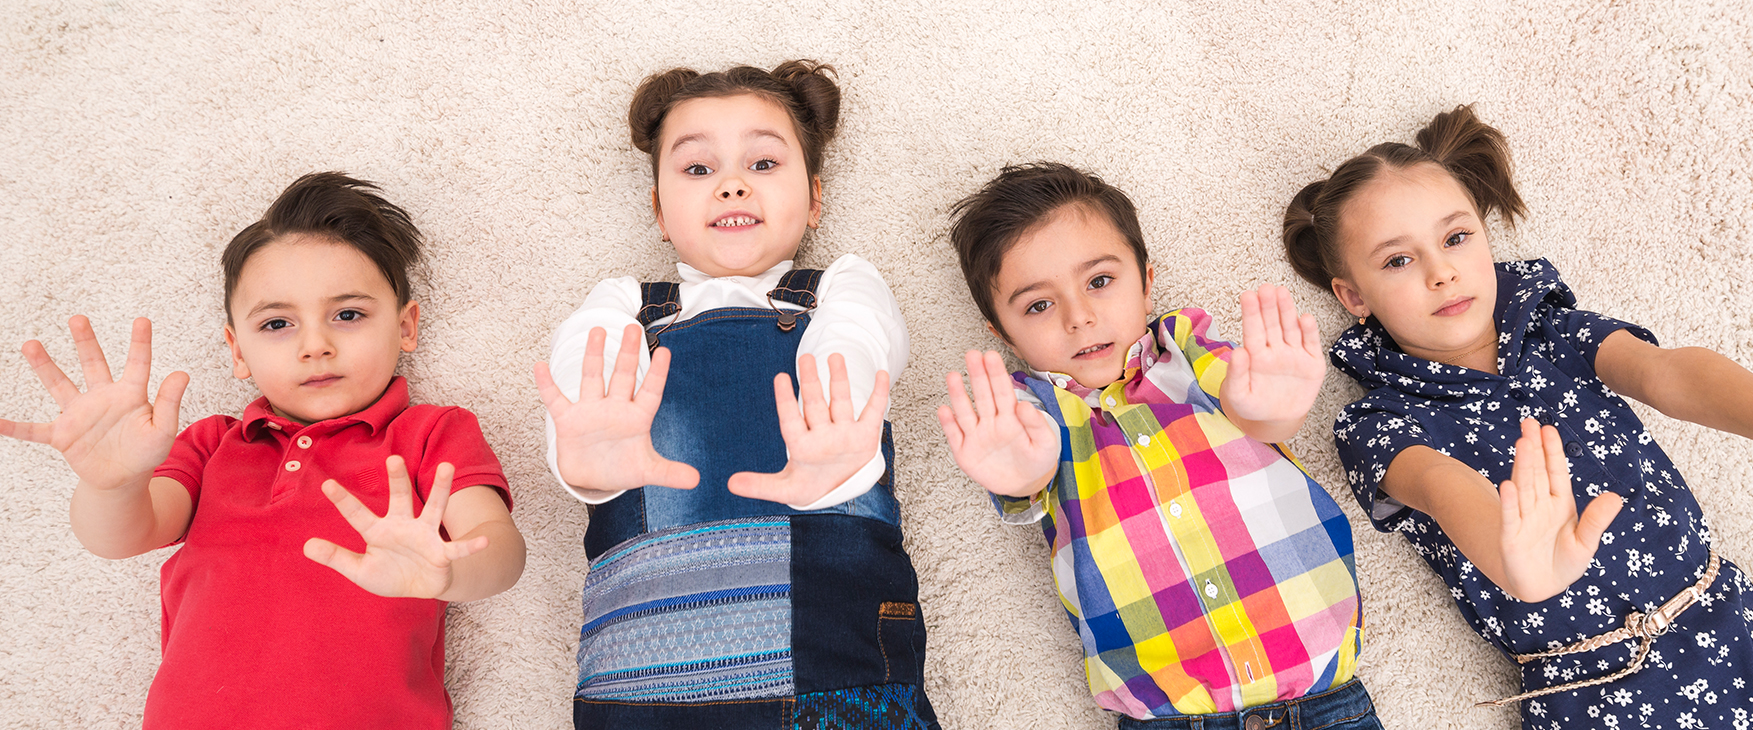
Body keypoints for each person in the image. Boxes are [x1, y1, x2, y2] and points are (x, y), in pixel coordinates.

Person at [1282, 105, 1753, 726]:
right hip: (1590, 692)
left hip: (1734, 635)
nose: (1442, 272)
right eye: (1397, 261)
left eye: (1456, 238)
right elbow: (1438, 485)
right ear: (1353, 296)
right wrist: (1514, 559)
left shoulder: (1555, 330)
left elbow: (1663, 372)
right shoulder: (1378, 421)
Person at [0, 172, 526, 729]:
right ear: (237, 351)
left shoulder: (430, 432)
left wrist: (446, 572)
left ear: (406, 327)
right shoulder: (212, 444)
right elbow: (122, 537)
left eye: (348, 315)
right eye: (277, 323)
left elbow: (501, 552)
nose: (315, 345)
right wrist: (113, 483)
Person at [535, 61, 938, 729]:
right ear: (659, 213)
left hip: (835, 652)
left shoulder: (839, 285)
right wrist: (584, 449)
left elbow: (861, 334)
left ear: (815, 199)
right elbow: (584, 356)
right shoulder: (622, 302)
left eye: (763, 163)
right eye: (698, 169)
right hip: (642, 678)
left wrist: (835, 412)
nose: (731, 185)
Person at [939, 162, 1381, 729]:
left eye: (1099, 281)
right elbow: (1025, 470)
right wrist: (1022, 474)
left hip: (1324, 694)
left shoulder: (1186, 350)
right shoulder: (1030, 412)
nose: (1079, 318)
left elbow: (1253, 407)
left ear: (1146, 283)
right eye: (1038, 305)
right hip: (1169, 716)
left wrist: (1277, 407)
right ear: (1003, 333)